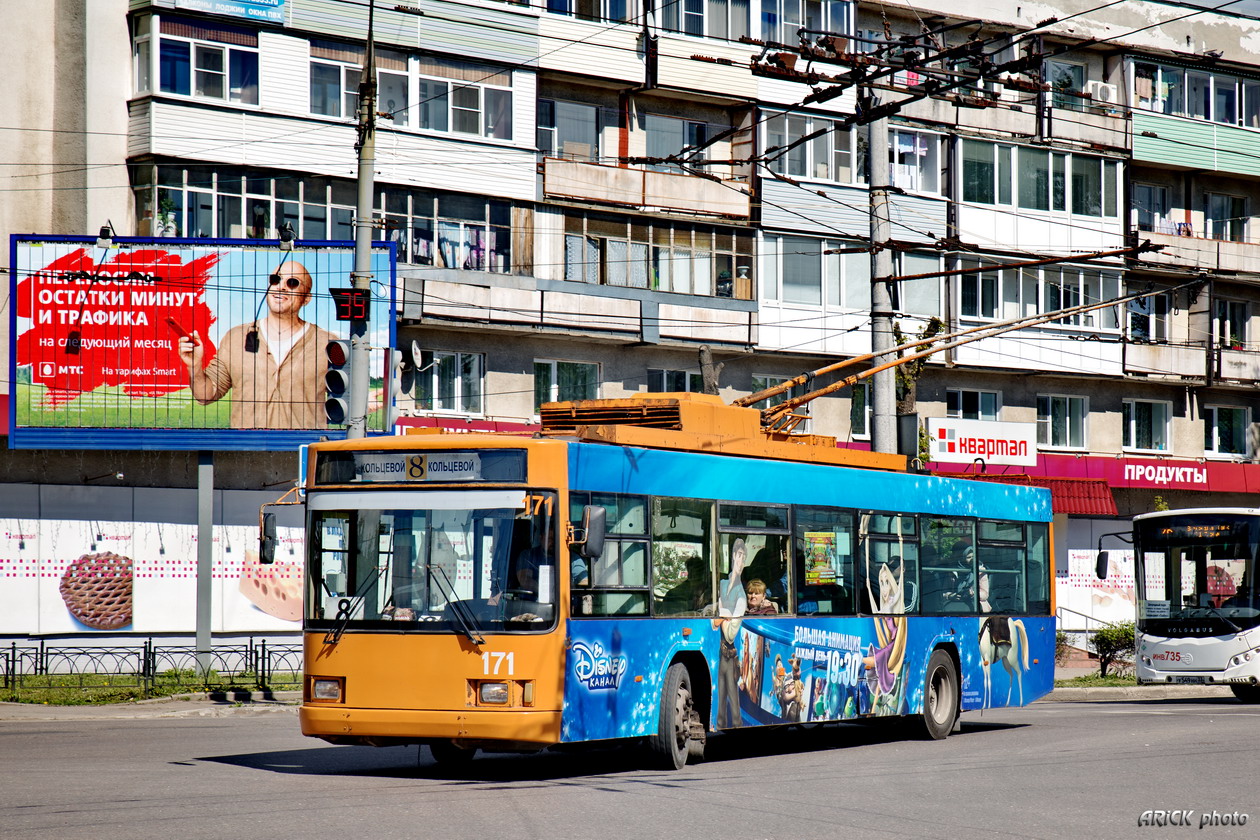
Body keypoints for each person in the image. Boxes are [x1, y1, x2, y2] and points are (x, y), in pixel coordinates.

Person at [177, 259, 336, 429]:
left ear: (306, 299)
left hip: (304, 450)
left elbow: (350, 396)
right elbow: (205, 396)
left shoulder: (327, 343)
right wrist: (194, 366)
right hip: (246, 451)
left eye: (292, 283)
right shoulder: (236, 337)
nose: (280, 287)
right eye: (275, 280)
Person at [713, 538, 748, 728]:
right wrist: (721, 613)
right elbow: (716, 610)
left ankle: (736, 725)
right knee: (721, 694)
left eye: (744, 558)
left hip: (730, 652)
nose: (741, 562)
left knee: (732, 696)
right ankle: (723, 724)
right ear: (733, 556)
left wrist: (722, 615)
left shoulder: (741, 595)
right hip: (721, 652)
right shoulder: (723, 584)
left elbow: (731, 634)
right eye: (739, 556)